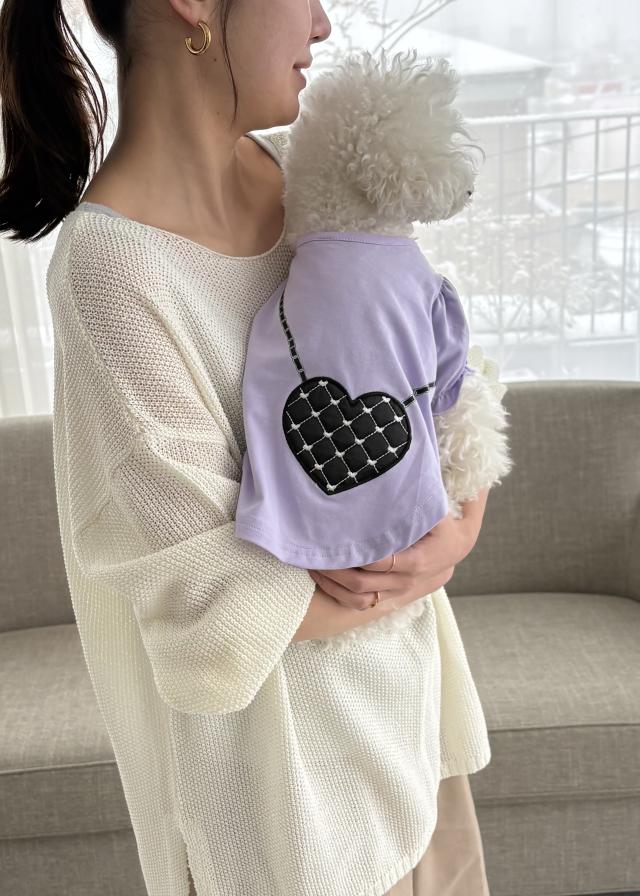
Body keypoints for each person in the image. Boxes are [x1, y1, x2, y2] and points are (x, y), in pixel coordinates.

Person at [0, 0, 496, 893]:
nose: (322, 24)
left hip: (412, 734)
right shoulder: (114, 267)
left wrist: (461, 526)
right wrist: (416, 559)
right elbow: (217, 600)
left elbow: (443, 365)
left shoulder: (307, 175)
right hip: (291, 813)